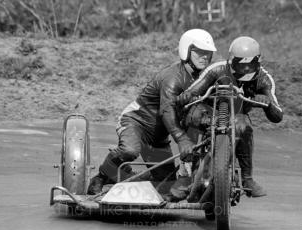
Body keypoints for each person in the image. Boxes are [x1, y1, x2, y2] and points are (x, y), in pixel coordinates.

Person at [87, 29, 217, 195]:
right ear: (187, 50)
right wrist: (183, 140)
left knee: (166, 187)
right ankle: (101, 176)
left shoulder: (204, 80)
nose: (204, 56)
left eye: (208, 53)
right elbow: (166, 111)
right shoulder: (173, 77)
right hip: (136, 122)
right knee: (130, 150)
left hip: (158, 138)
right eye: (199, 52)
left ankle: (126, 176)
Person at [175, 36, 283, 197]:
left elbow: (278, 116)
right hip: (208, 113)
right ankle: (187, 171)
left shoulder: (264, 79)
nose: (246, 69)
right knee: (191, 114)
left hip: (236, 116)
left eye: (250, 64)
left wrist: (267, 104)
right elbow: (194, 89)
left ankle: (247, 179)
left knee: (244, 127)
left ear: (258, 62)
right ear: (231, 60)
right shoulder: (216, 69)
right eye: (241, 64)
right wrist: (187, 95)